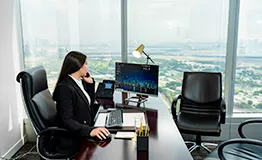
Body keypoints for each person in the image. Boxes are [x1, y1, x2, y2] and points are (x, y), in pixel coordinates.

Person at [52, 51, 110, 153]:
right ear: (78, 66)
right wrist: (90, 130)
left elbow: (88, 103)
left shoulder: (78, 82)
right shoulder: (65, 88)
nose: (87, 67)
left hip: (83, 127)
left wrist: (91, 84)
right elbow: (67, 120)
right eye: (85, 64)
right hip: (72, 137)